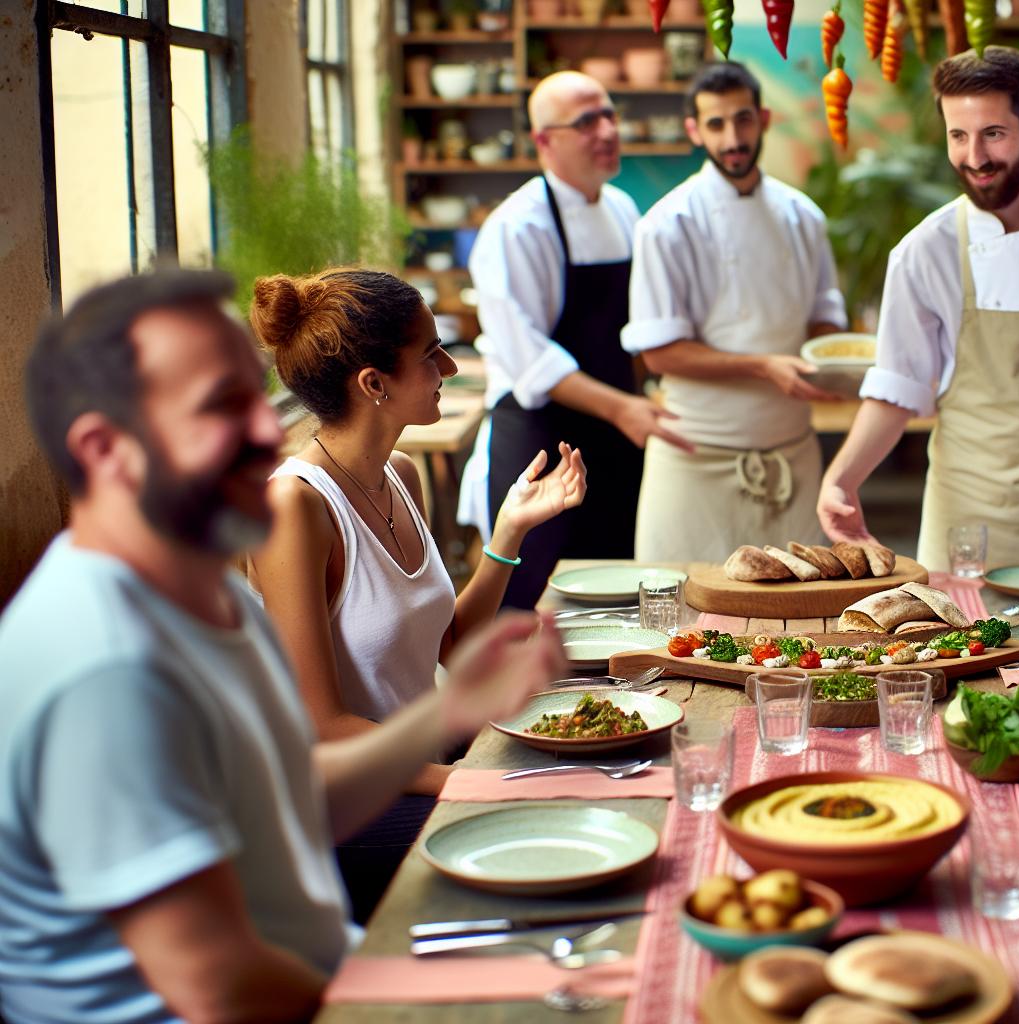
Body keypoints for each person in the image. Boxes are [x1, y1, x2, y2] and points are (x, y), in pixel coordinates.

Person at [0, 270, 562, 1023]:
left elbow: (294, 784)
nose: (268, 434)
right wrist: (449, 988)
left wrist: (451, 711)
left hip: (323, 963)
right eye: (222, 407)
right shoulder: (102, 661)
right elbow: (214, 983)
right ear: (104, 448)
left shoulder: (206, 591)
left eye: (258, 399)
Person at [248, 268, 587, 920]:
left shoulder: (399, 474)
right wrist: (473, 781)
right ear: (373, 384)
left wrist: (508, 531)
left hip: (424, 773)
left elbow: (449, 644)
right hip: (345, 814)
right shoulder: (294, 506)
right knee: (559, 840)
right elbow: (323, 728)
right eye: (431, 353)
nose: (449, 368)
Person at [817, 46, 1019, 570]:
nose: (974, 157)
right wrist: (840, 480)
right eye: (958, 136)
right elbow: (897, 389)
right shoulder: (924, 252)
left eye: (993, 134)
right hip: (964, 533)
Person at [460, 70, 690, 607]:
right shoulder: (516, 227)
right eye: (586, 121)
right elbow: (531, 360)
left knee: (620, 593)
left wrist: (648, 395)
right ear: (544, 141)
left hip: (615, 436)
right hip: (543, 443)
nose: (607, 130)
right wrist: (624, 408)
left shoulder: (622, 209)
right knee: (532, 604)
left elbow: (634, 328)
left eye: (610, 115)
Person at [624, 62, 848, 562]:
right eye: (716, 124)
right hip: (695, 456)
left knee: (803, 603)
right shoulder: (665, 224)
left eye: (743, 120)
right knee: (677, 600)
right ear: (694, 131)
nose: (733, 139)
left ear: (763, 119)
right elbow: (660, 353)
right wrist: (764, 365)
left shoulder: (803, 216)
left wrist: (830, 363)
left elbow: (824, 318)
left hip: (792, 449)